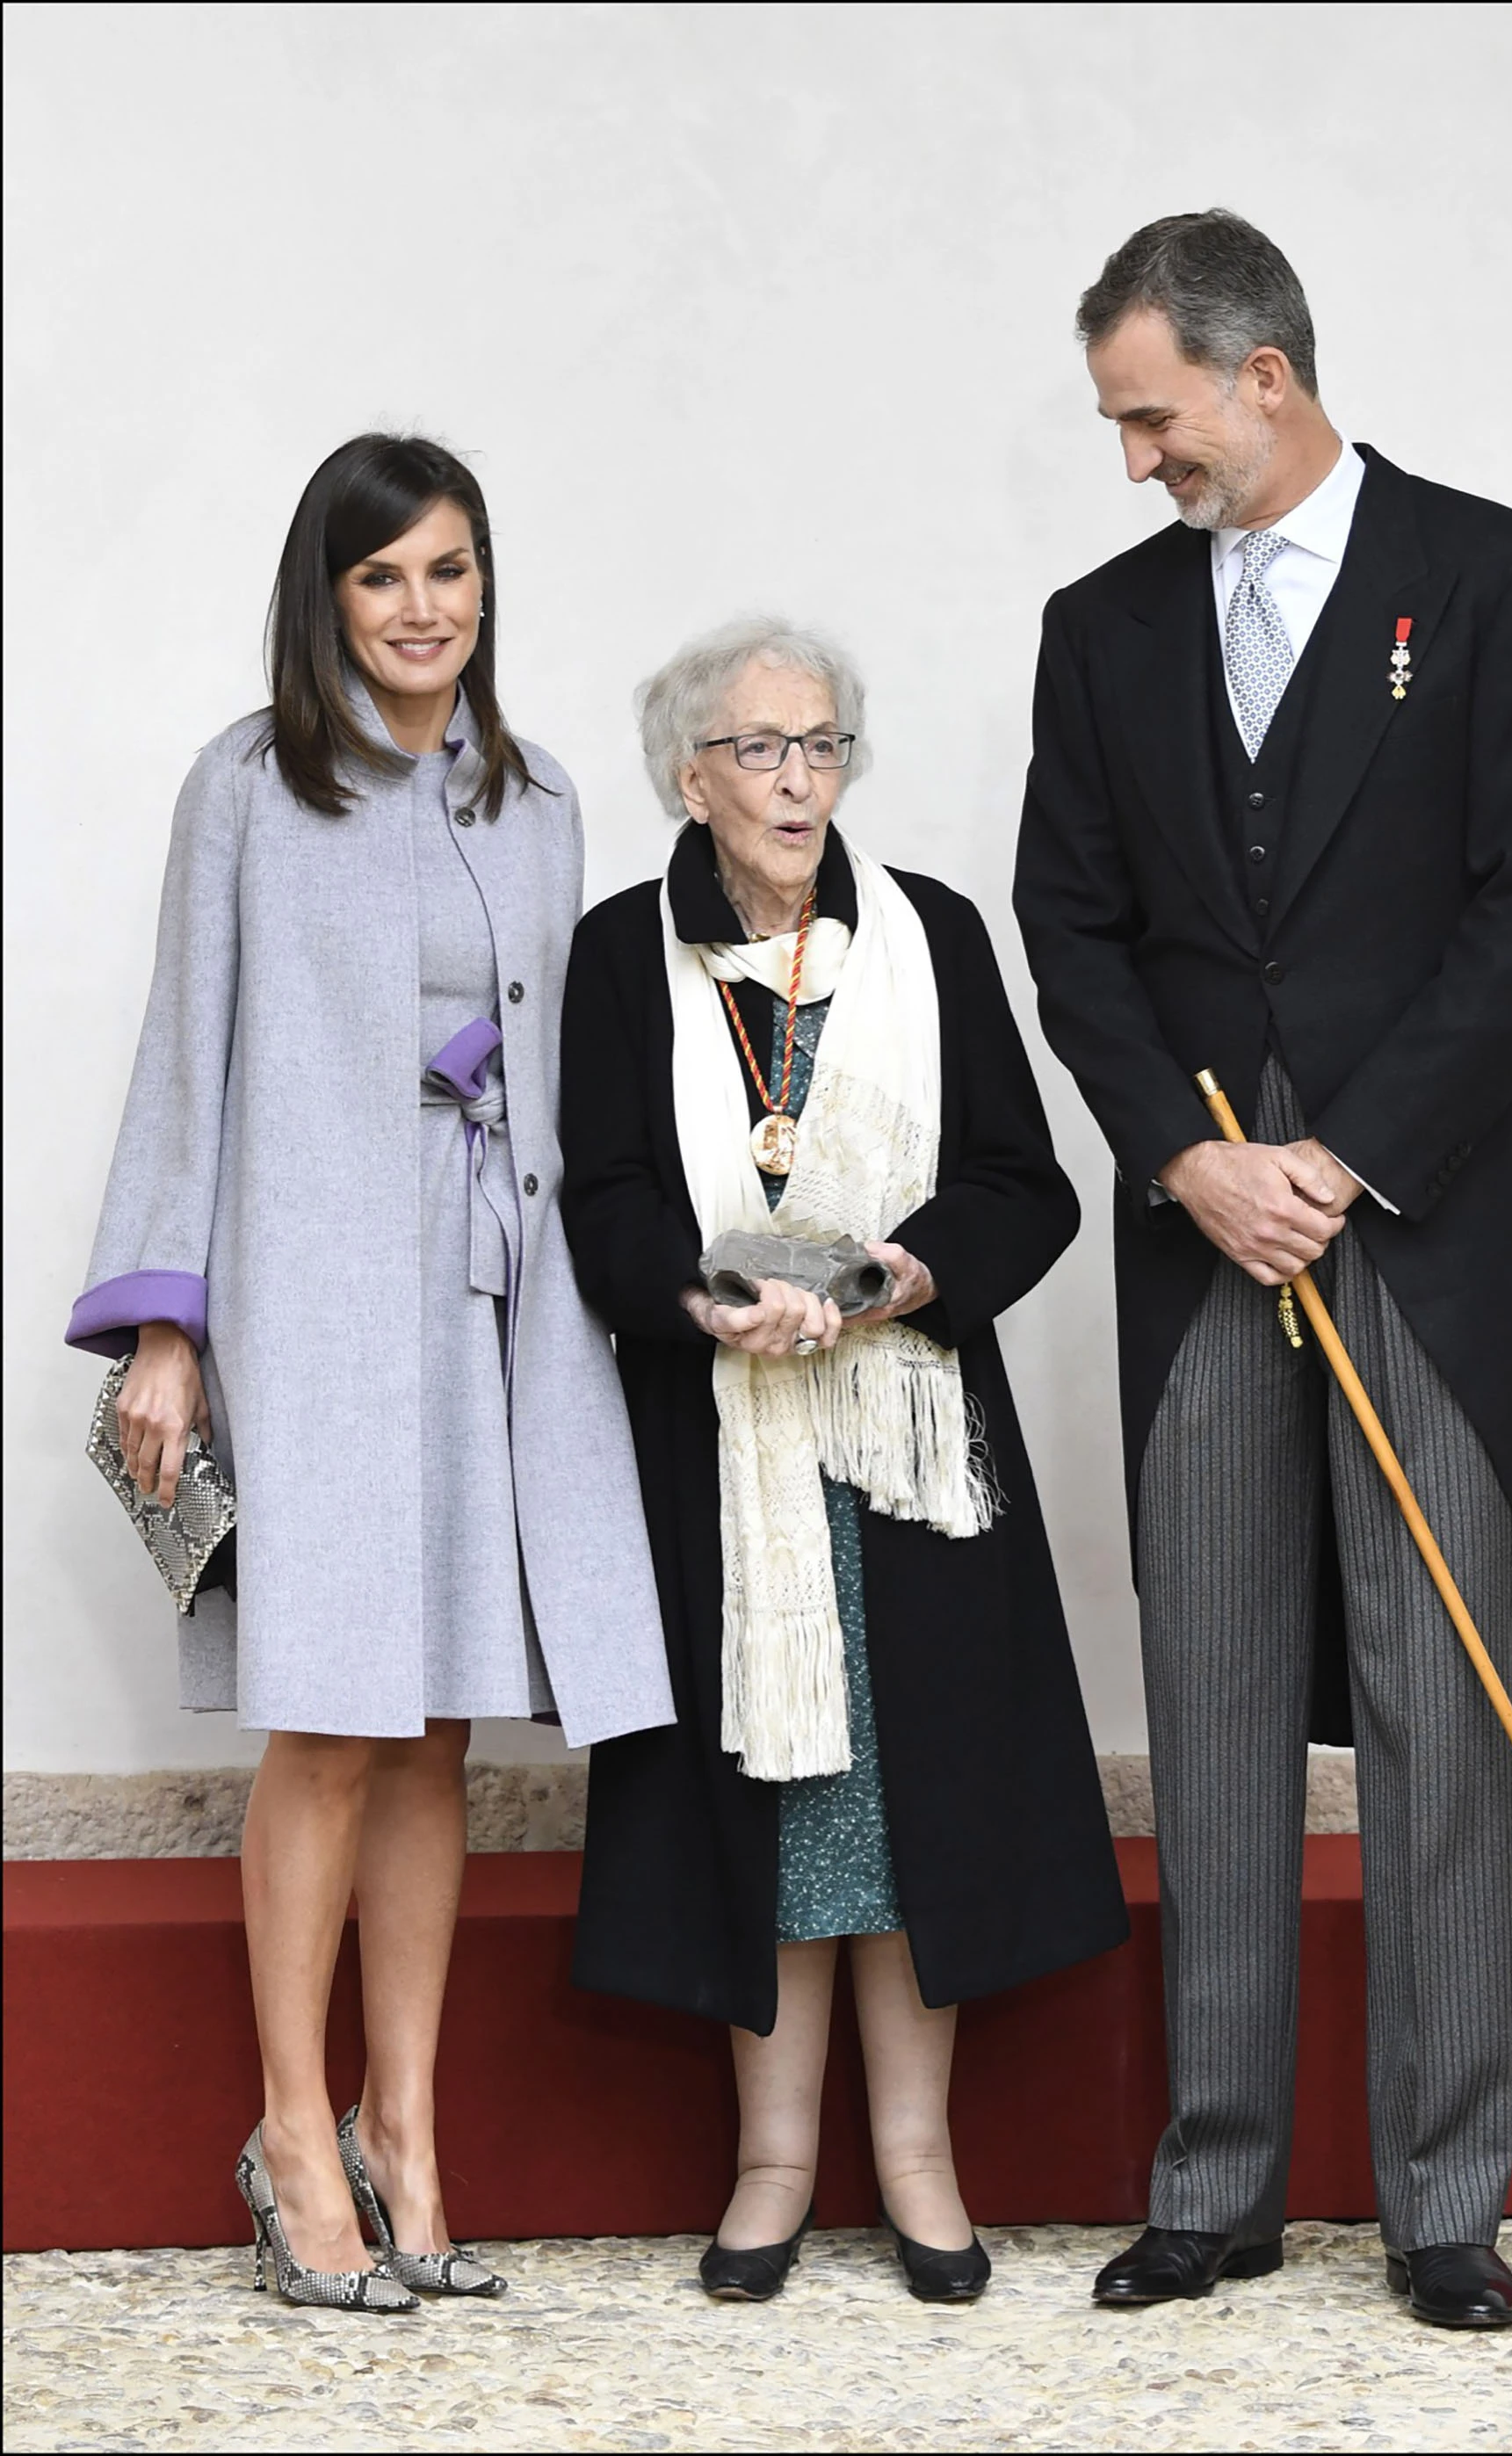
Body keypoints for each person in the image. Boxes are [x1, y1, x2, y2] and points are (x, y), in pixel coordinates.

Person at [1015, 211, 1512, 2329]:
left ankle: (1447, 2203)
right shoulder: (1101, 631)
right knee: (1224, 1704)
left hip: (1417, 1235)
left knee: (1433, 1708)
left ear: (1264, 375)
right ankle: (1221, 2178)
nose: (1138, 460)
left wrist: (1337, 1160)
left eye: (1153, 416)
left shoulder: (1508, 578)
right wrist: (1187, 1160)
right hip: (1199, 1258)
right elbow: (1064, 929)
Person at [67, 433, 674, 2310]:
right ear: (327, 599)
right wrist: (167, 1325)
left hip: (495, 1294)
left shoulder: (545, 794)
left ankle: (410, 2127)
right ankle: (294, 2130)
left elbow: (568, 1064)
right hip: (314, 1285)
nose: (426, 609)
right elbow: (189, 1043)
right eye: (385, 576)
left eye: (453, 571)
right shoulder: (249, 785)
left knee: (435, 1725)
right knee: (324, 1710)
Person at [559, 617, 1128, 2303]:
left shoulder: (930, 936)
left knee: (908, 1797)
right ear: (691, 775)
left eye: (824, 746)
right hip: (718, 1442)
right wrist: (694, 1298)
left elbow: (1029, 1185)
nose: (801, 779)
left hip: (909, 1448)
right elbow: (597, 1202)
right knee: (778, 1803)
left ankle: (918, 2160)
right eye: (762, 749)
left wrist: (894, 1276)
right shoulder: (617, 956)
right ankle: (774, 2161)